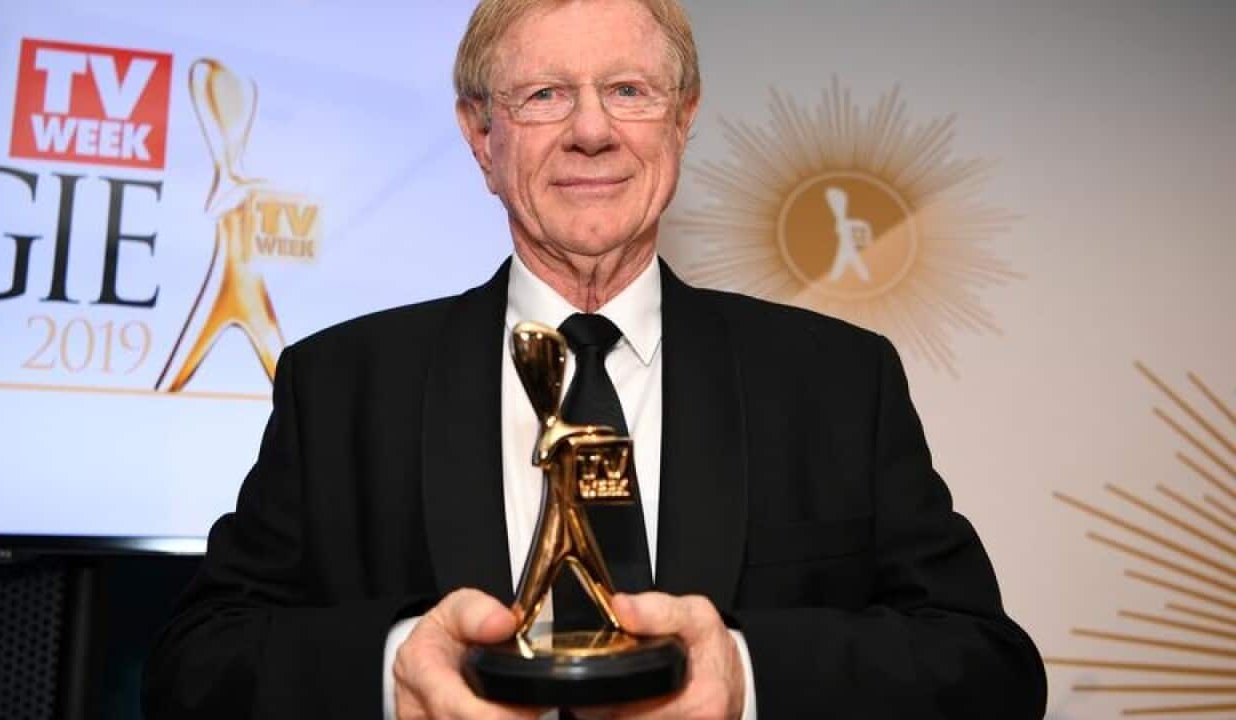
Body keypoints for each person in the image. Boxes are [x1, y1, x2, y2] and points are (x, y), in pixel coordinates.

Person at [143, 1, 1047, 718]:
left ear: (683, 120)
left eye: (628, 90)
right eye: (542, 95)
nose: (591, 131)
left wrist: (746, 674)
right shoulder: (340, 385)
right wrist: (392, 673)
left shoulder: (837, 383)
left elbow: (990, 669)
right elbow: (192, 666)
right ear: (479, 136)